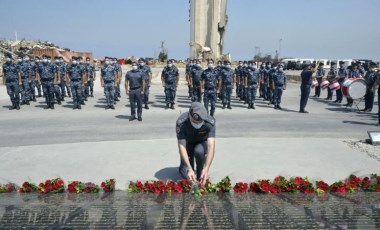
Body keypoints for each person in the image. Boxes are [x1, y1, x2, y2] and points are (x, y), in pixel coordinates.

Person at [177, 102, 216, 186]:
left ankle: (200, 172)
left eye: (200, 122)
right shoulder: (181, 122)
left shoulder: (210, 122)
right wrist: (189, 168)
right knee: (185, 175)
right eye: (195, 122)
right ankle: (185, 167)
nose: (197, 124)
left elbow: (211, 146)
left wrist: (206, 168)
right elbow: (181, 146)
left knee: (199, 151)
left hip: (201, 142)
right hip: (187, 144)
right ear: (190, 115)